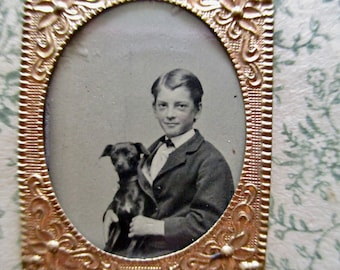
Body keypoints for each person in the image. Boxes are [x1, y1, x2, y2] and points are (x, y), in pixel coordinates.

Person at [125, 68, 235, 258]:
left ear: (197, 110)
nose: (169, 114)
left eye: (180, 106)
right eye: (162, 105)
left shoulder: (210, 161)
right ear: (154, 109)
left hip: (181, 257)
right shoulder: (151, 152)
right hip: (139, 252)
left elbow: (212, 222)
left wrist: (156, 227)